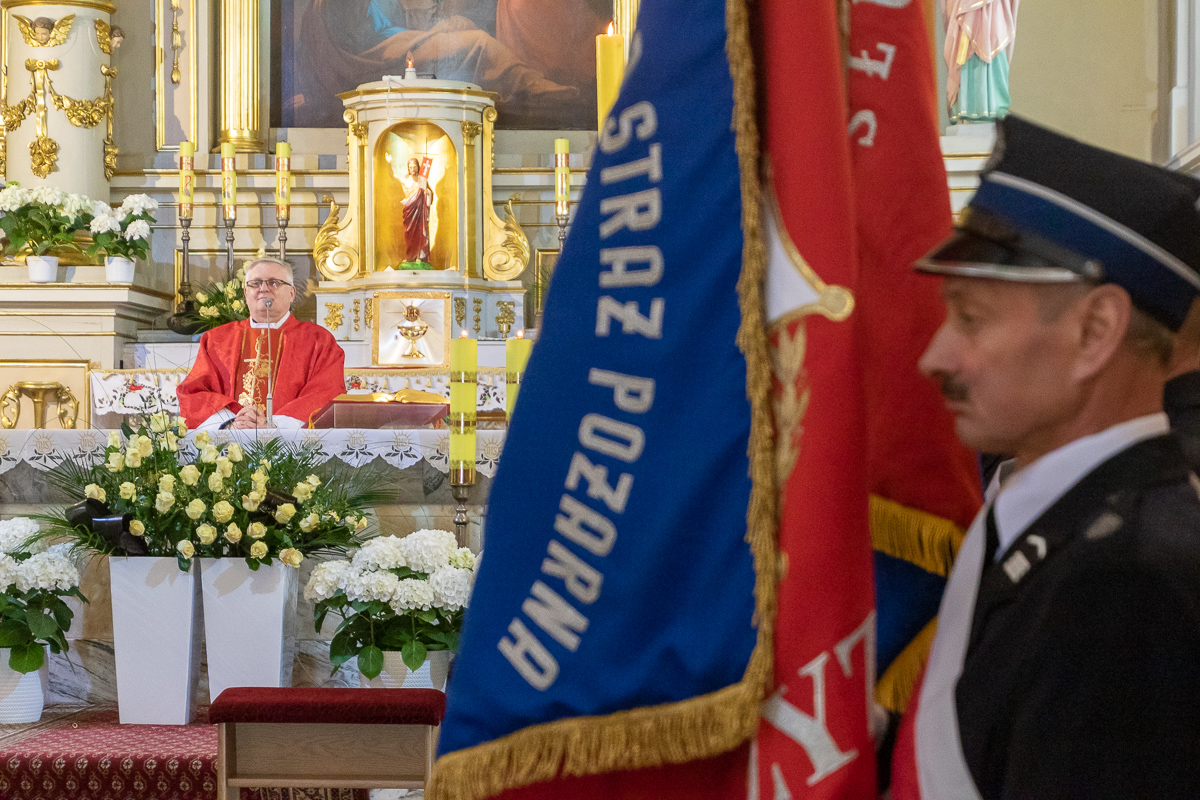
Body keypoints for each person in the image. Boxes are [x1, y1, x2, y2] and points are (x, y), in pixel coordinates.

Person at [896, 115, 1200, 799]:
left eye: (971, 319)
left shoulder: (1124, 582)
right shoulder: (1058, 528)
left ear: (1095, 332)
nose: (935, 357)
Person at [176, 258, 346, 430]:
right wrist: (232, 422)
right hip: (230, 438)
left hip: (290, 440)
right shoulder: (217, 339)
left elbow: (327, 392)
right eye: (255, 283)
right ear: (245, 293)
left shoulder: (319, 340)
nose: (263, 288)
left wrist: (274, 425)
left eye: (274, 283)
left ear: (291, 293)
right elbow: (193, 394)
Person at [944, 0, 1019, 123]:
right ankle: (967, 108)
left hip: (995, 12)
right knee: (968, 50)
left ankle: (993, 109)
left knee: (993, 47)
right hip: (968, 13)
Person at [400, 156, 434, 263]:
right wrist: (388, 165)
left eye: (414, 167)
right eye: (410, 167)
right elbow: (395, 178)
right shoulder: (406, 180)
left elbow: (430, 194)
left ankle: (419, 256)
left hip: (420, 213)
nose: (412, 169)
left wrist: (427, 192)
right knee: (409, 234)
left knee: (420, 233)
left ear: (418, 167)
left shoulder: (422, 180)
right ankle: (410, 256)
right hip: (410, 212)